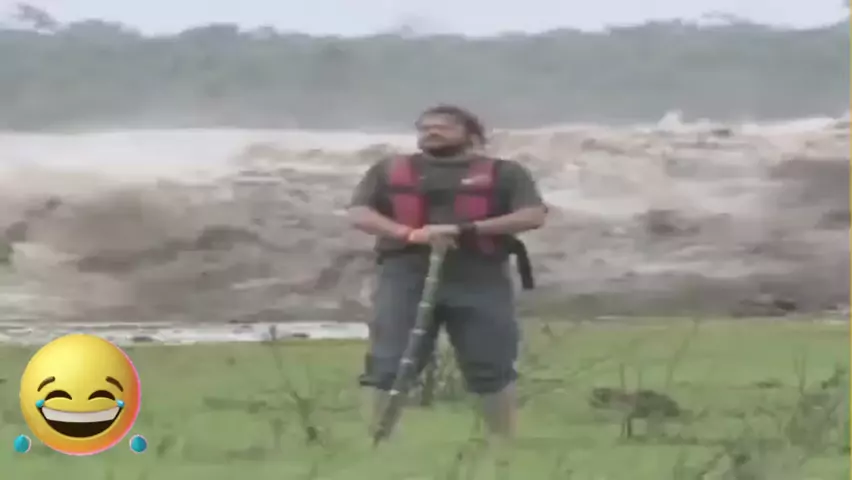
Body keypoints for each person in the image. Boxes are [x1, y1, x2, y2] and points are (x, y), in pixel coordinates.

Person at [347, 104, 548, 441]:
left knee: (491, 361)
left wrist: (467, 229)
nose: (432, 132)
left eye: (443, 127)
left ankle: (504, 443)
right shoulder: (388, 170)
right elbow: (359, 213)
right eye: (425, 127)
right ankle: (379, 441)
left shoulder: (506, 173)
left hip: (479, 277)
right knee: (390, 360)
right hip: (405, 275)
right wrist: (408, 233)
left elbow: (532, 215)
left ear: (470, 133)